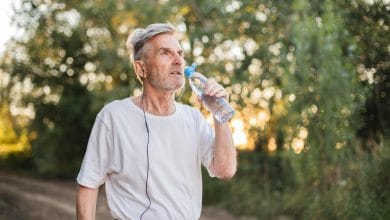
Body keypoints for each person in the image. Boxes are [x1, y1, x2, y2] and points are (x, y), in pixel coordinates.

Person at [76, 23, 237, 220]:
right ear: (141, 68)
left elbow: (225, 170)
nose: (178, 61)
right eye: (166, 53)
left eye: (180, 53)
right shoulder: (114, 116)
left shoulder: (193, 118)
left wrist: (219, 113)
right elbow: (88, 185)